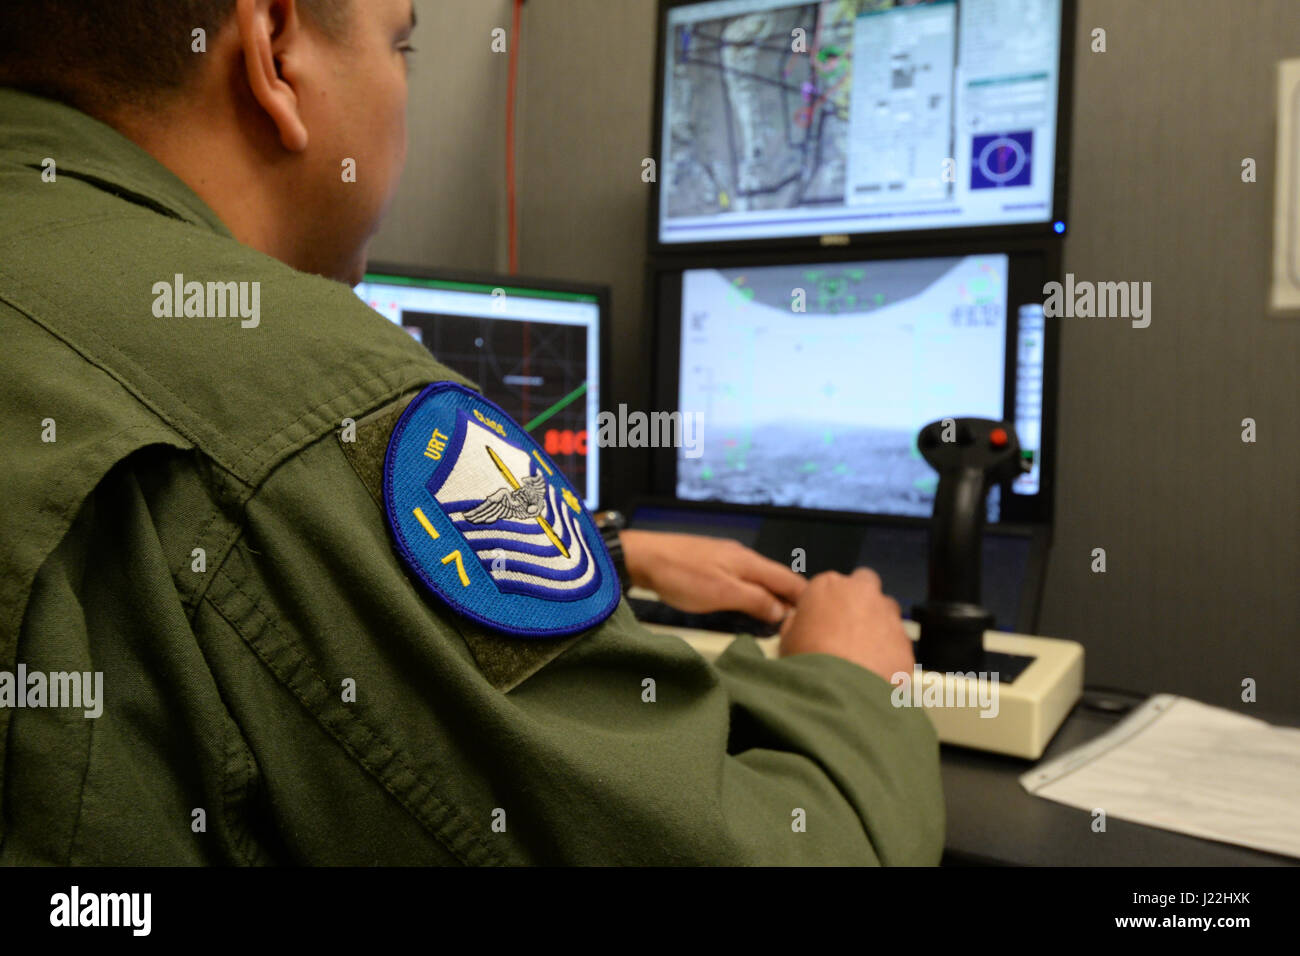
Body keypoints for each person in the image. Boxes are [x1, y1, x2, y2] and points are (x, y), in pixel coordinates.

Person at [0, 0, 943, 865]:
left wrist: (605, 548)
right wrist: (847, 691)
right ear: (275, 51)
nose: (405, 84)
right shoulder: (317, 399)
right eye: (401, 44)